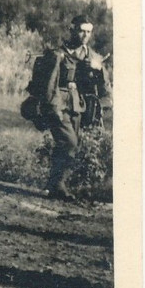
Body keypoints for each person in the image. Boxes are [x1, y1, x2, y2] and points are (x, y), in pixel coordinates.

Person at [40, 14, 108, 201]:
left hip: (77, 106)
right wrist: (52, 107)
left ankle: (53, 185)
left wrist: (97, 68)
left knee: (73, 145)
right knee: (69, 143)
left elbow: (103, 84)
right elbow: (50, 83)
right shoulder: (59, 54)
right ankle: (58, 185)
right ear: (72, 30)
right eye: (81, 31)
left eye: (88, 32)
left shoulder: (91, 55)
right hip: (59, 104)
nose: (85, 35)